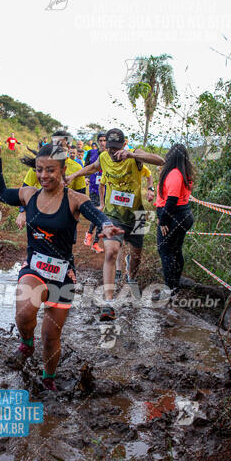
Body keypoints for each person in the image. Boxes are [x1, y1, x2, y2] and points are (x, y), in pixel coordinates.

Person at [0, 132, 125, 390]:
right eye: (39, 170)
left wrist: (106, 225)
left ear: (62, 170)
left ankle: (49, 379)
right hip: (33, 268)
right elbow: (0, 192)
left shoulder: (74, 199)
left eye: (50, 170)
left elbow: (95, 213)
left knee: (51, 337)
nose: (44, 175)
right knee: (25, 312)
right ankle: (26, 342)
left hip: (63, 275)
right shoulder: (28, 195)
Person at [65, 128, 164, 321]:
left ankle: (131, 278)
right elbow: (93, 167)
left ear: (124, 144)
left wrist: (132, 154)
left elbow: (161, 161)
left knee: (136, 257)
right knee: (110, 252)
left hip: (136, 214)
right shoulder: (103, 157)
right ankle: (108, 304)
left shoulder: (135, 155)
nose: (112, 152)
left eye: (116, 148)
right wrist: (73, 176)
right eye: (109, 148)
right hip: (113, 215)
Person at [16, 131, 87, 230]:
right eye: (53, 144)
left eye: (60, 145)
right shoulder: (41, 162)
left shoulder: (77, 167)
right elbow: (25, 187)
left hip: (65, 217)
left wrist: (74, 217)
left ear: (69, 147)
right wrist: (22, 211)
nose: (56, 148)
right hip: (41, 212)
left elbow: (81, 194)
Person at [114, 138, 155, 282]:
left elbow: (149, 173)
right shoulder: (109, 161)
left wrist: (150, 189)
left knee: (137, 250)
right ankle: (118, 271)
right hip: (117, 211)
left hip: (138, 211)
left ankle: (131, 274)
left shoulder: (135, 161)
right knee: (117, 243)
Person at [156, 143, 194, 298]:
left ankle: (170, 289)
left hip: (174, 215)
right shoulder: (184, 172)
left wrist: (163, 220)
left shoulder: (174, 174)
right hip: (181, 214)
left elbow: (172, 199)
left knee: (165, 251)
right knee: (175, 250)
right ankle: (174, 287)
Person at [83, 137, 105, 253]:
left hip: (107, 189)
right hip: (94, 188)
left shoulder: (111, 154)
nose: (102, 142)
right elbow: (86, 166)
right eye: (100, 140)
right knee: (98, 213)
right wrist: (86, 178)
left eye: (104, 140)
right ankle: (90, 235)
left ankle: (95, 242)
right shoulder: (91, 153)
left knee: (102, 215)